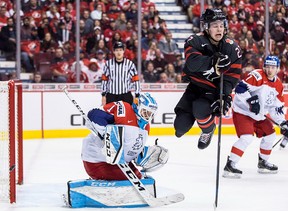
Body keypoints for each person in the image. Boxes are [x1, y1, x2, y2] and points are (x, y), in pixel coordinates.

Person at [173, 8, 242, 149]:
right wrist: (212, 62)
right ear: (206, 27)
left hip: (213, 90)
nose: (219, 29)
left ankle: (208, 130)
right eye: (215, 25)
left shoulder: (231, 48)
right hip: (195, 87)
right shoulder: (195, 41)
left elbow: (232, 77)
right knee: (179, 128)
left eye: (221, 25)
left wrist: (224, 95)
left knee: (200, 108)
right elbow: (192, 63)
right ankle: (199, 124)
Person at [223, 56, 288, 178]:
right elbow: (240, 88)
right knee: (247, 138)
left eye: (273, 67)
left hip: (259, 115)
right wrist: (251, 101)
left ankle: (263, 162)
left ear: (278, 69)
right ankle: (230, 165)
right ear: (264, 67)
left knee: (271, 135)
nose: (269, 70)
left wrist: (283, 122)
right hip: (243, 112)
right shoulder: (256, 76)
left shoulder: (278, 85)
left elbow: (277, 107)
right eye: (267, 66)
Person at [81, 92, 169, 180]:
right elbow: (94, 114)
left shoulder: (146, 128)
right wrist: (107, 136)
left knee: (138, 177)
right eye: (145, 112)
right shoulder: (124, 109)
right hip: (96, 160)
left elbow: (130, 147)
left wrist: (142, 155)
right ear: (138, 106)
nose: (147, 116)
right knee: (131, 179)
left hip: (120, 163)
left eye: (150, 114)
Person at [101, 41, 140, 105]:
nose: (119, 52)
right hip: (111, 95)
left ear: (123, 51)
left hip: (125, 96)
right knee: (111, 115)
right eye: (116, 50)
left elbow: (136, 80)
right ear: (113, 51)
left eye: (120, 50)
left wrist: (137, 95)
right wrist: (103, 95)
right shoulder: (108, 64)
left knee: (128, 114)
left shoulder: (129, 64)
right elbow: (104, 80)